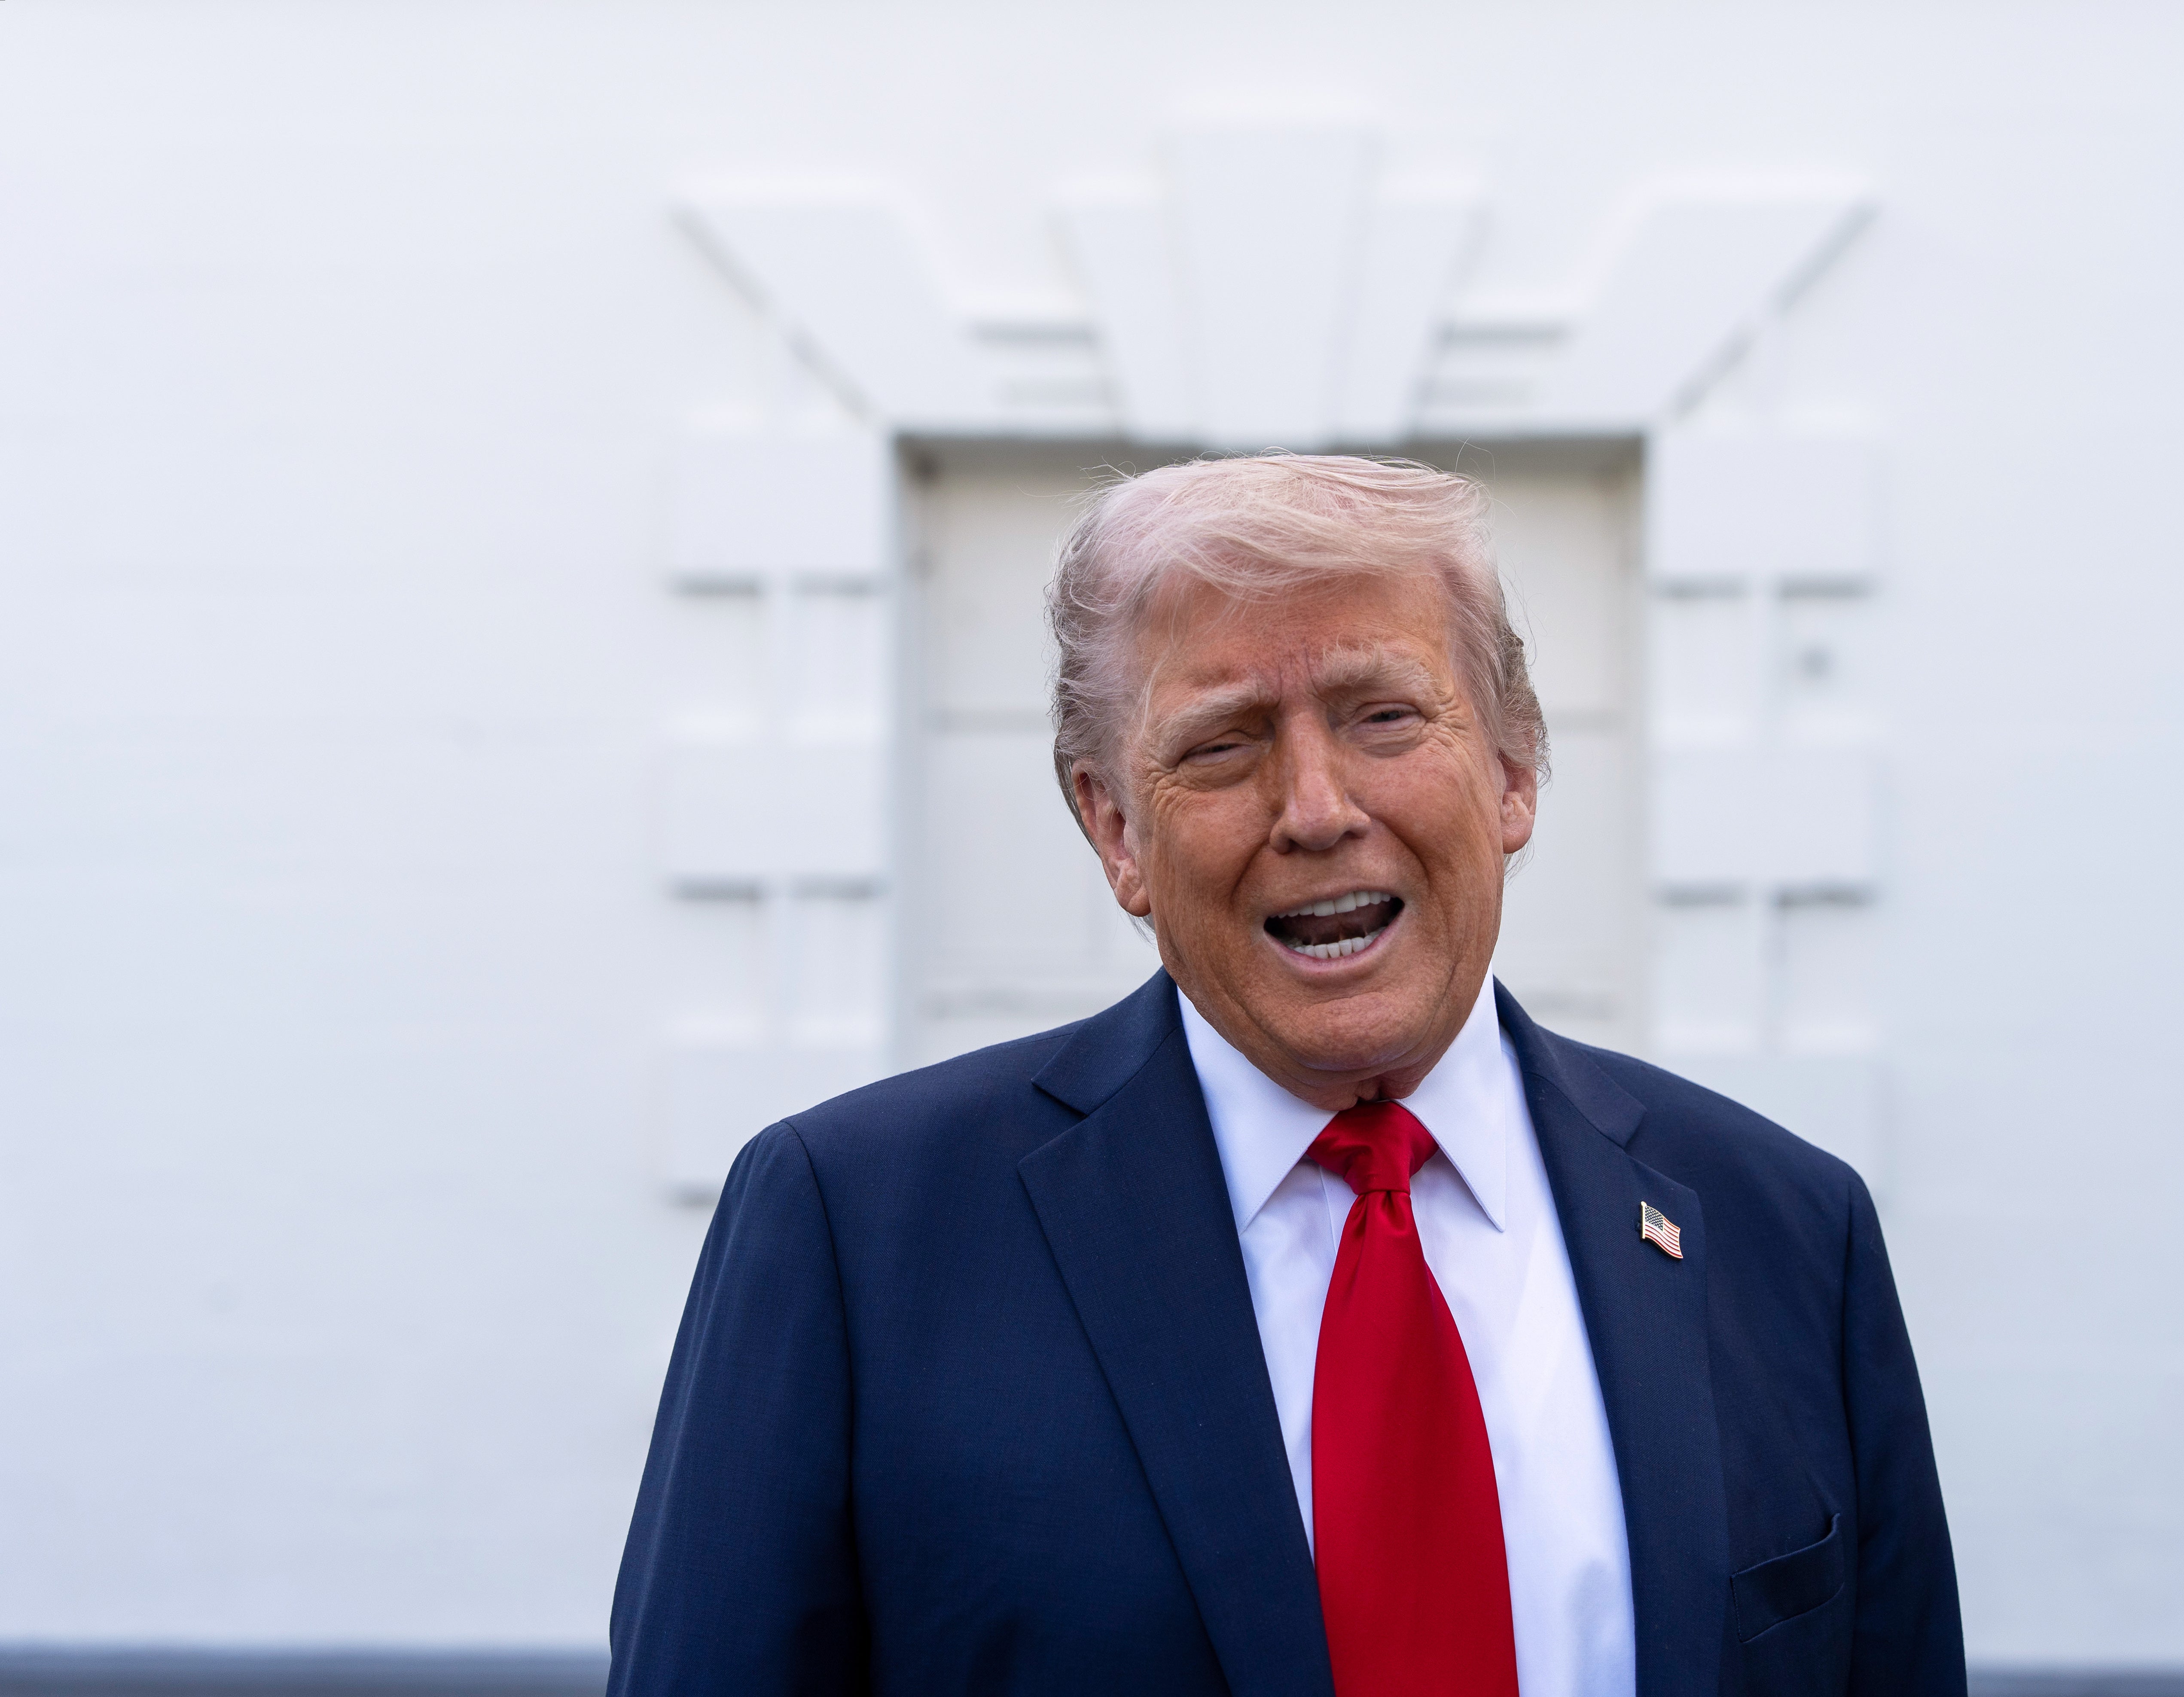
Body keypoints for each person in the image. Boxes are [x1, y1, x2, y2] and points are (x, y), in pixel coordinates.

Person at [607, 454, 1964, 1696]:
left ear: (1512, 771)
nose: (1317, 809)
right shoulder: (855, 1235)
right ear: (1114, 829)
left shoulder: (1789, 1230)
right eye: (1223, 744)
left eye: (1384, 716)